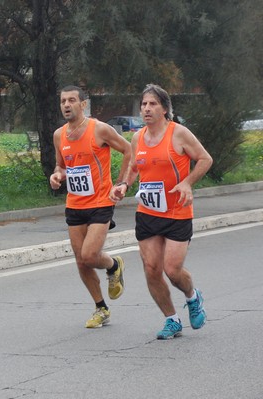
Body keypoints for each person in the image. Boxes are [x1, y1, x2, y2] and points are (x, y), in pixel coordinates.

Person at [110, 84, 213, 340]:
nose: (146, 108)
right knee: (151, 269)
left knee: (173, 269)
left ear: (165, 109)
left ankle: (192, 296)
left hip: (177, 211)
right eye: (144, 104)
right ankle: (171, 320)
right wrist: (123, 184)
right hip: (149, 211)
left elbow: (205, 159)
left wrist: (187, 182)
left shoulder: (178, 134)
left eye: (152, 104)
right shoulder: (138, 137)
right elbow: (135, 166)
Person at [50, 85, 132, 328]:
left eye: (72, 100)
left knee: (89, 255)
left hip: (100, 201)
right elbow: (61, 166)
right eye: (63, 100)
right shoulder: (59, 135)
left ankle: (114, 265)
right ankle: (101, 308)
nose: (66, 105)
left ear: (83, 104)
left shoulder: (99, 129)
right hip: (75, 203)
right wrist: (57, 176)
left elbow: (128, 150)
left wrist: (121, 183)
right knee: (80, 261)